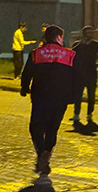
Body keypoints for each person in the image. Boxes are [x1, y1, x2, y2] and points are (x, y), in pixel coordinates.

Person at [20, 25, 82, 180]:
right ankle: (46, 153)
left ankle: (41, 153)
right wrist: (74, 96)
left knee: (36, 128)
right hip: (61, 98)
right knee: (52, 128)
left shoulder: (36, 54)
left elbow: (27, 73)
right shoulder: (70, 55)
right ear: (60, 37)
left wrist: (24, 88)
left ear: (46, 37)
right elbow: (77, 78)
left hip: (41, 96)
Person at [70, 26, 98, 127]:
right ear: (83, 34)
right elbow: (70, 53)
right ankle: (76, 114)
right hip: (80, 73)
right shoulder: (79, 45)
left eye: (91, 33)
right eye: (88, 33)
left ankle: (89, 114)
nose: (90, 35)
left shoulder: (95, 45)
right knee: (78, 95)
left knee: (91, 95)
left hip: (90, 72)